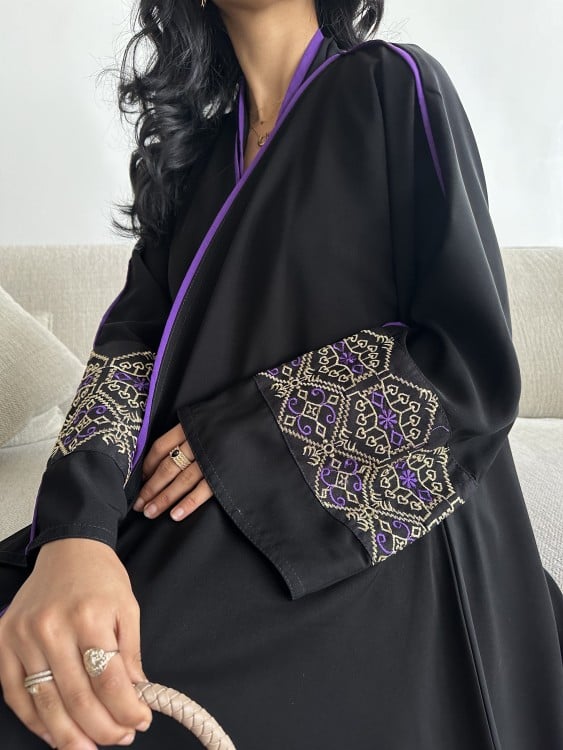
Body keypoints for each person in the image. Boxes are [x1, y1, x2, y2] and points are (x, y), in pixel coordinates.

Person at [1, 1, 562, 748]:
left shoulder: (391, 84)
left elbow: (467, 364)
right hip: (194, 518)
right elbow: (127, 360)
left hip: (368, 533)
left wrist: (245, 441)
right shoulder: (191, 163)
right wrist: (75, 538)